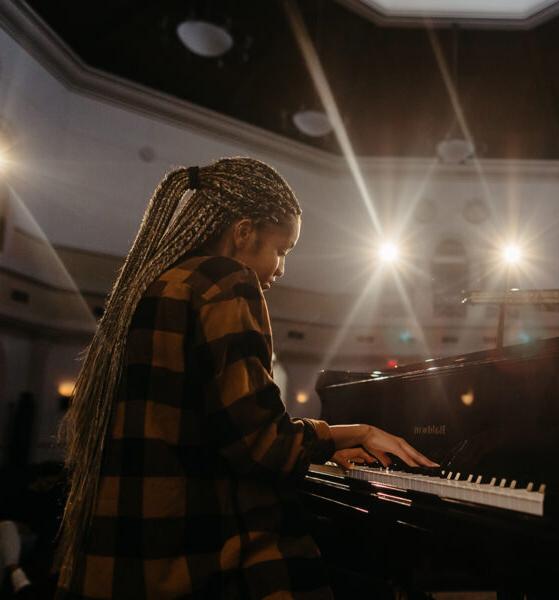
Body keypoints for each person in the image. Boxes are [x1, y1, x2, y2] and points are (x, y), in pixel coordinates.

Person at [55, 157, 437, 599]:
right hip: (192, 555)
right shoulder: (225, 281)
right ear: (243, 232)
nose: (281, 269)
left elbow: (217, 429)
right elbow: (262, 445)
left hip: (133, 552)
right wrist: (356, 433)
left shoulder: (161, 284)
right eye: (280, 249)